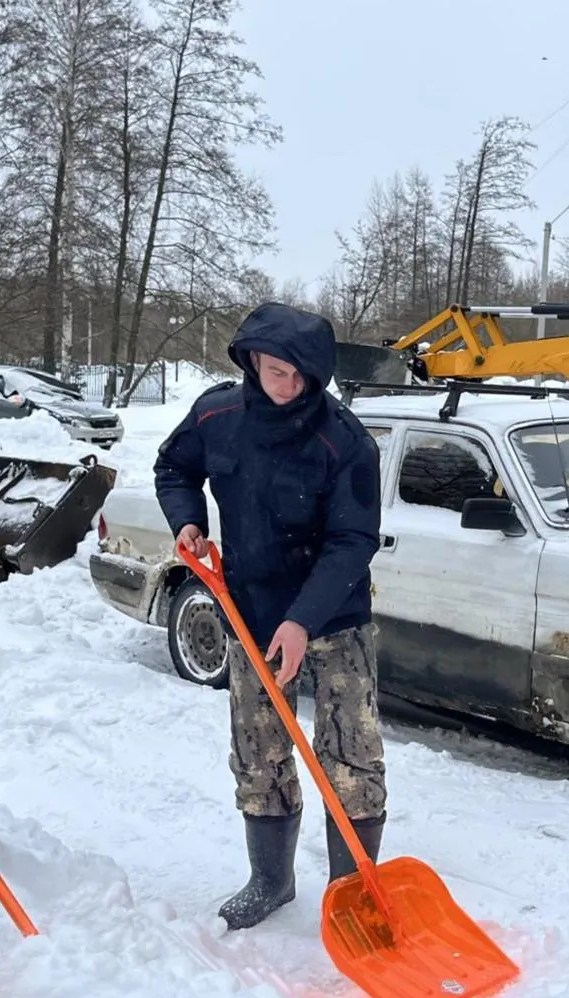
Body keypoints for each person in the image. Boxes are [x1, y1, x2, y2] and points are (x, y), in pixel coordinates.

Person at [153, 301, 386, 931]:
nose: (287, 386)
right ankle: (271, 880)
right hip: (251, 612)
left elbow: (353, 540)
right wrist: (188, 521)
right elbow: (174, 467)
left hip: (333, 619)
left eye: (300, 375)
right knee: (258, 752)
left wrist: (303, 619)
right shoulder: (217, 416)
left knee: (351, 756)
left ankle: (353, 895)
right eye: (276, 370)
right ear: (252, 361)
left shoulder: (346, 441)